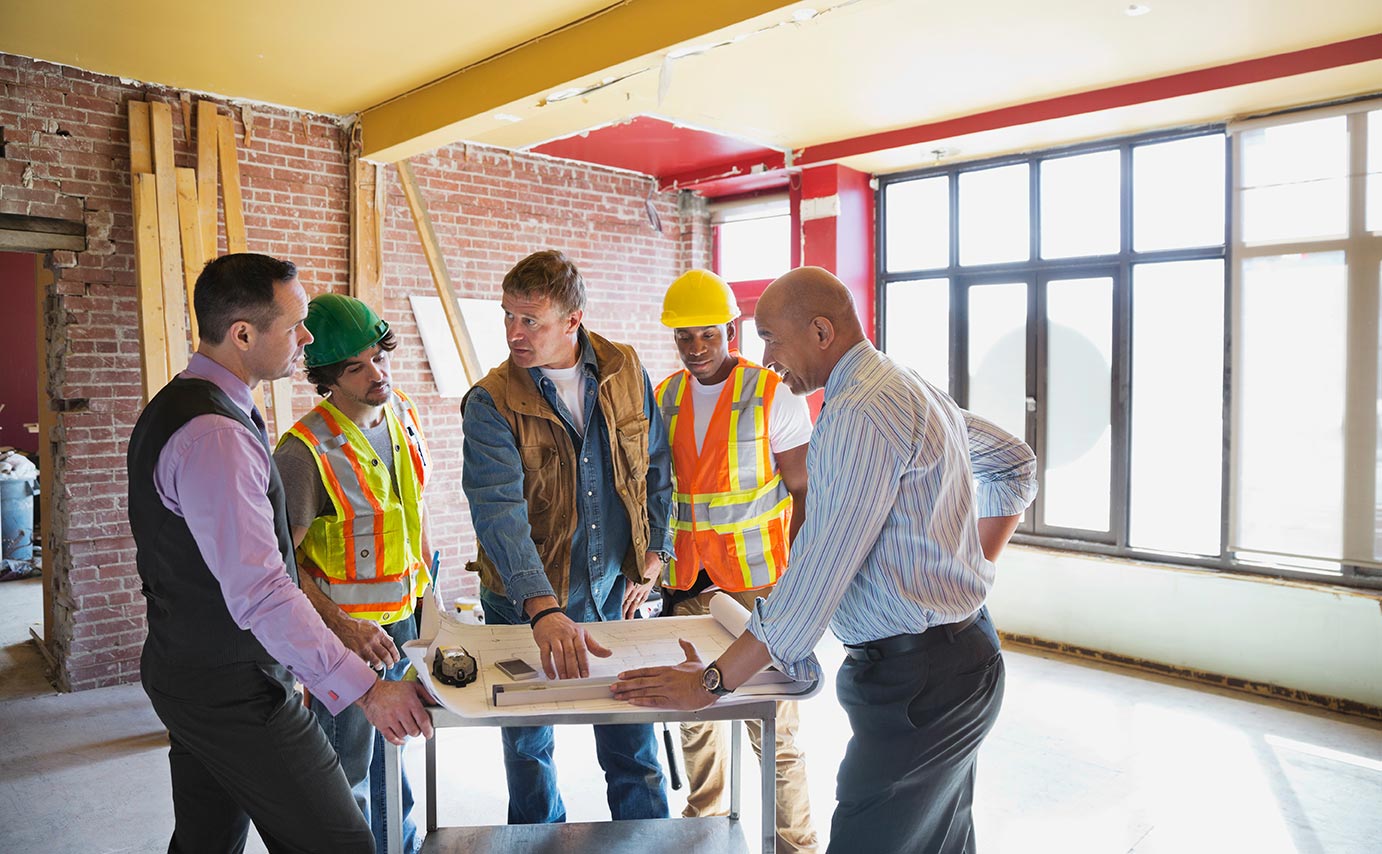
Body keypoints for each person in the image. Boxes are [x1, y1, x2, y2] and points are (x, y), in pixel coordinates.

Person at [613, 267, 1038, 854]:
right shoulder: (903, 385)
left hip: (917, 683)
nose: (766, 357)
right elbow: (1015, 465)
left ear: (820, 331)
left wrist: (710, 683)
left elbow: (815, 577)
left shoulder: (856, 415)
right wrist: (967, 575)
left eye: (769, 338)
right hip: (961, 659)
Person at [127, 253, 434, 854]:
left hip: (186, 669)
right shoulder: (217, 437)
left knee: (206, 840)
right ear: (243, 334)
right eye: (294, 324)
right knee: (341, 841)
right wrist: (365, 689)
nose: (307, 337)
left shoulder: (182, 404)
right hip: (234, 687)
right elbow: (264, 590)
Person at [460, 249, 674, 824]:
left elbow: (655, 463)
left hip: (611, 592)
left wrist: (657, 550)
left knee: (635, 746)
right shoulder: (491, 402)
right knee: (530, 753)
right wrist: (542, 608)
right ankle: (537, 840)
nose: (514, 332)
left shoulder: (625, 369)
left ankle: (647, 839)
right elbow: (498, 512)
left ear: (572, 321)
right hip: (523, 606)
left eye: (530, 320)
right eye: (507, 316)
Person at [654, 269, 818, 852]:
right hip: (685, 583)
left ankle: (795, 845)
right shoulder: (665, 396)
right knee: (694, 719)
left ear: (731, 330)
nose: (695, 349)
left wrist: (800, 581)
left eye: (707, 335)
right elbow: (659, 491)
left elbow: (804, 491)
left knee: (772, 728)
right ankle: (705, 835)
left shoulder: (773, 393)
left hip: (757, 587)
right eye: (683, 338)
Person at [274, 293, 434, 854]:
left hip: (406, 624)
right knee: (347, 771)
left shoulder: (403, 416)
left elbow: (413, 517)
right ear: (326, 377)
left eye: (379, 357)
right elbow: (279, 568)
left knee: (397, 750)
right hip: (348, 641)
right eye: (355, 367)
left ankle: (402, 846)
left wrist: (430, 604)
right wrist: (343, 628)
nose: (377, 374)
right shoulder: (302, 453)